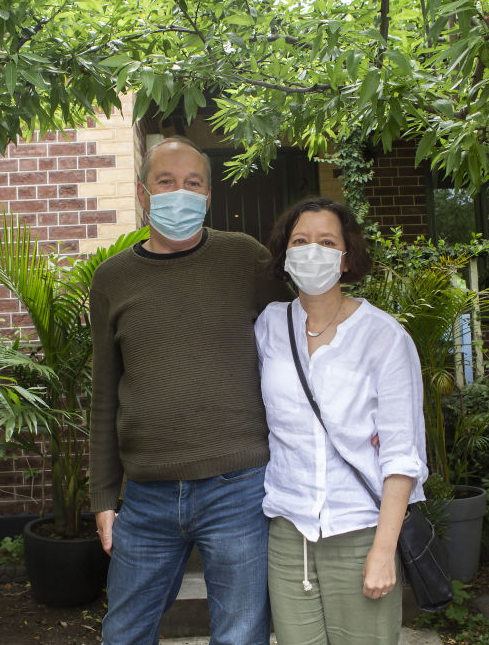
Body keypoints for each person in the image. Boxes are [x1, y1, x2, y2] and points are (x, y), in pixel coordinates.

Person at [88, 136, 290, 644]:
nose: (180, 192)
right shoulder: (111, 279)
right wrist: (103, 495)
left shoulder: (245, 260)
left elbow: (298, 344)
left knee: (241, 636)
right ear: (142, 193)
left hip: (239, 488)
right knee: (124, 633)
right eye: (166, 182)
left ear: (207, 196)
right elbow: (104, 395)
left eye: (192, 183)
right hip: (146, 494)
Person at [255, 196, 428, 644]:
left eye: (326, 241)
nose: (312, 250)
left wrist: (384, 550)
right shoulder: (269, 327)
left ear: (346, 256)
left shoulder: (384, 337)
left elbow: (401, 454)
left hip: (361, 533)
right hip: (289, 536)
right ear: (285, 254)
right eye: (300, 240)